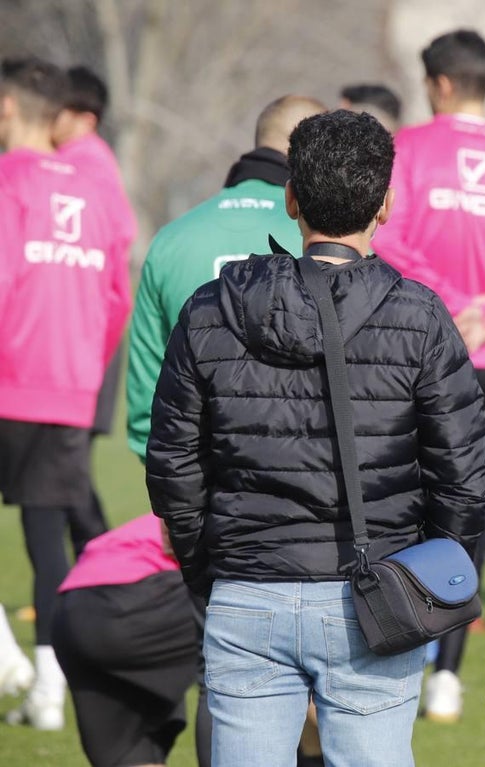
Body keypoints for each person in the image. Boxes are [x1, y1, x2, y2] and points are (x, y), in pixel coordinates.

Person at [146, 109, 485, 767]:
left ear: (291, 199)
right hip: (378, 593)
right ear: (386, 204)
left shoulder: (212, 308)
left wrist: (205, 563)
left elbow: (173, 462)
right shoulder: (419, 316)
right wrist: (435, 570)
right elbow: (465, 471)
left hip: (248, 590)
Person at [368, 28, 485, 723]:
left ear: (440, 84)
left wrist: (451, 309)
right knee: (472, 510)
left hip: (424, 351)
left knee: (406, 497)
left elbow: (385, 236)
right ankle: (449, 669)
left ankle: (403, 641)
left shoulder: (413, 150)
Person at [0, 56, 132, 731]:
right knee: (46, 537)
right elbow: (117, 295)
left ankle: (10, 660)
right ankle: (50, 687)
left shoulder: (8, 180)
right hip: (70, 383)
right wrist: (85, 363)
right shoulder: (95, 185)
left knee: (49, 532)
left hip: (10, 381)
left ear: (7, 109)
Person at [126, 94, 325, 460]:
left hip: (194, 480)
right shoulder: (319, 238)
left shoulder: (171, 239)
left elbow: (145, 391)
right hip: (301, 478)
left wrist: (168, 487)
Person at [53, 63, 139, 543]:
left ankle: (102, 577)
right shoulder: (89, 161)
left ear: (84, 116)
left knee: (67, 481)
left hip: (84, 343)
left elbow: (118, 239)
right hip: (86, 341)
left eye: (58, 110)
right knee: (66, 480)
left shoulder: (85, 165)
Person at [52, 514, 206, 767]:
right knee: (233, 675)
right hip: (139, 601)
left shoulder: (169, 505)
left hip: (72, 612)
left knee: (133, 750)